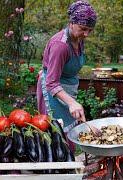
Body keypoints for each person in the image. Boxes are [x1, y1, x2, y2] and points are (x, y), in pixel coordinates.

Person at [36, 0, 97, 152]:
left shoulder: (78, 38)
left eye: (90, 30)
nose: (87, 34)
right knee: (55, 133)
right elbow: (51, 83)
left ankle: (68, 165)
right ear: (71, 23)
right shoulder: (61, 45)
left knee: (68, 132)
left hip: (67, 88)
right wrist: (72, 103)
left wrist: (71, 102)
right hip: (53, 91)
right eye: (83, 29)